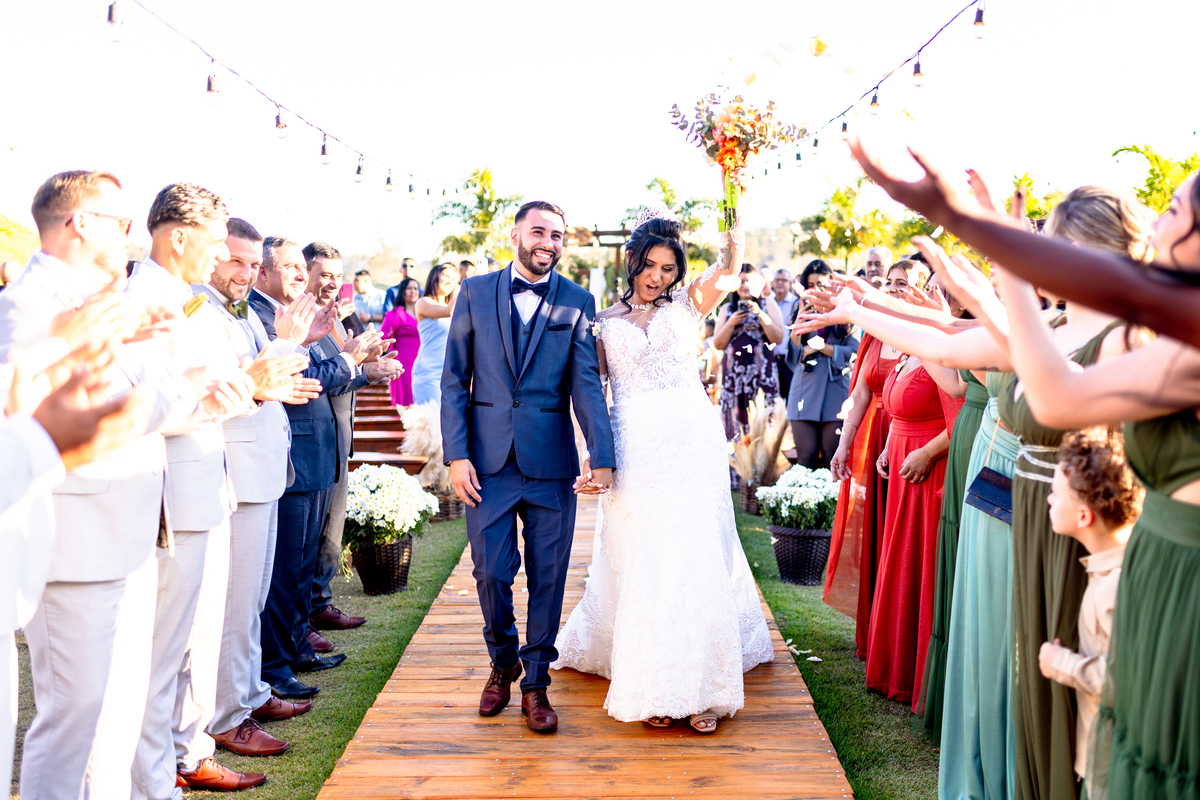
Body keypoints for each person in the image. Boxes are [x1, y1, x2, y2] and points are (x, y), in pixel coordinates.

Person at [553, 210, 774, 733]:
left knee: (693, 554)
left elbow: (729, 267)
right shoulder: (602, 322)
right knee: (649, 557)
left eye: (668, 268)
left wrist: (734, 210)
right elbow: (591, 395)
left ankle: (706, 688)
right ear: (632, 261)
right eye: (649, 265)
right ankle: (654, 682)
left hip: (692, 443)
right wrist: (592, 455)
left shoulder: (689, 303)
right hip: (635, 447)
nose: (657, 277)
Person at [126, 183, 286, 795]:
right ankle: (156, 778)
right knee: (163, 652)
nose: (222, 254)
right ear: (178, 237)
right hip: (174, 498)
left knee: (191, 644)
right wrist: (248, 384)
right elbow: (148, 408)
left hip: (204, 489)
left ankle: (186, 753)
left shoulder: (181, 299)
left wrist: (247, 383)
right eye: (216, 242)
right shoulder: (146, 302)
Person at [441, 200, 615, 734]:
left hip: (550, 464)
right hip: (486, 465)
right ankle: (503, 662)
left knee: (549, 578)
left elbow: (586, 386)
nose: (548, 242)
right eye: (539, 232)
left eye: (557, 235)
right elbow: (454, 380)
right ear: (515, 235)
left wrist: (602, 456)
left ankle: (536, 683)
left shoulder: (578, 301)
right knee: (490, 573)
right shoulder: (474, 292)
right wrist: (456, 455)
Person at [198, 218, 318, 761]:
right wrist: (285, 343)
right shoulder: (199, 312)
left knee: (253, 598)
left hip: (266, 467)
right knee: (235, 603)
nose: (245, 273)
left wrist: (289, 364)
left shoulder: (240, 311)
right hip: (236, 471)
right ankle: (228, 716)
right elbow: (231, 388)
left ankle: (250, 692)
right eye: (236, 261)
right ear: (211, 257)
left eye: (252, 263)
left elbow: (266, 378)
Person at [250, 237, 355, 700]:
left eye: (300, 266)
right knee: (284, 571)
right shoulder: (260, 315)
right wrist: (349, 360)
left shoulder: (292, 316)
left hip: (314, 451)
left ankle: (295, 649)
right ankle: (275, 666)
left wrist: (319, 344)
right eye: (290, 266)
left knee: (300, 565)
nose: (299, 274)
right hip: (291, 453)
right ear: (264, 272)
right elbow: (299, 380)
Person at [818, 260, 923, 660]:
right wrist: (844, 445)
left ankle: (895, 632)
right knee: (872, 529)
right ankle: (874, 629)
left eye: (903, 283)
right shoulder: (877, 333)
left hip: (908, 433)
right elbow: (860, 393)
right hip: (873, 434)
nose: (894, 289)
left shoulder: (923, 335)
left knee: (897, 533)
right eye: (890, 282)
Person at [303, 242, 400, 649]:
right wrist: (366, 372)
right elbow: (323, 379)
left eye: (337, 275)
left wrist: (370, 360)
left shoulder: (339, 317)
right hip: (315, 440)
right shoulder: (302, 321)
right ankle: (306, 613)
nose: (332, 283)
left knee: (333, 528)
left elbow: (346, 366)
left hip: (339, 436)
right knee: (312, 534)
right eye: (324, 274)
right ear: (305, 273)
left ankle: (320, 601)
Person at [1039, 429, 1141, 800]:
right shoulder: (1111, 569)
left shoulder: (1115, 588)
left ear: (1083, 515)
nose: (1048, 498)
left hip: (1110, 762)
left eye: (1055, 493)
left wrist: (1060, 664)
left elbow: (1127, 682)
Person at [786, 259, 859, 469]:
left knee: (832, 456)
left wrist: (819, 346)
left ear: (832, 284)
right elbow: (793, 356)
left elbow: (853, 352)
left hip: (837, 391)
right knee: (805, 457)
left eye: (821, 284)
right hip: (804, 390)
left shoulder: (847, 311)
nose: (816, 290)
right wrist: (798, 325)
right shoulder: (800, 309)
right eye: (810, 285)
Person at [713, 264, 786, 440]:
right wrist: (731, 323)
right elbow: (718, 344)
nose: (745, 285)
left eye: (749, 281)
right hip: (734, 377)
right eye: (741, 281)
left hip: (762, 374)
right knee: (736, 425)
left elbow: (778, 338)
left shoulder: (768, 303)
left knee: (763, 423)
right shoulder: (727, 309)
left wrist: (761, 315)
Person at [410, 262, 459, 406]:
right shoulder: (423, 302)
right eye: (447, 277)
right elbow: (448, 311)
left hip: (451, 374)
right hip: (429, 372)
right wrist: (468, 285)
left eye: (453, 279)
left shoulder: (452, 305)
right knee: (431, 418)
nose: (450, 282)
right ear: (435, 277)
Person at [381, 276, 422, 406]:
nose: (413, 291)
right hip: (403, 364)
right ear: (402, 292)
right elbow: (382, 338)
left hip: (422, 363)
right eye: (409, 288)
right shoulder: (395, 314)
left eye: (415, 288)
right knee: (406, 402)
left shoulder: (424, 313)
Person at [770, 268, 799, 403]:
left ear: (790, 283)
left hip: (789, 361)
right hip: (770, 361)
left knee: (789, 401)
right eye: (777, 280)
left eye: (784, 280)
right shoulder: (767, 302)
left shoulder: (796, 303)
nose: (780, 283)